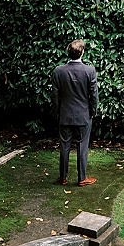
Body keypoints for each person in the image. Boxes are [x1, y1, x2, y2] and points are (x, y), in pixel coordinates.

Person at [51, 39, 99, 187]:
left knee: (64, 146)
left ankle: (63, 178)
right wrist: (92, 112)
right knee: (82, 147)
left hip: (65, 115)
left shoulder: (58, 71)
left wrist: (57, 112)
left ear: (68, 52)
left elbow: (55, 95)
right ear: (82, 52)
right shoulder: (89, 71)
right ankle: (82, 178)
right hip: (84, 116)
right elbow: (94, 95)